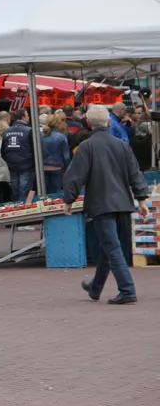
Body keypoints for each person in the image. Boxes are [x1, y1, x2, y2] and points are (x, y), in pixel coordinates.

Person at [65, 105, 148, 305]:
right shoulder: (122, 145)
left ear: (88, 123)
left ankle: (127, 289)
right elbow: (135, 173)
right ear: (109, 122)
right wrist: (142, 199)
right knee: (109, 246)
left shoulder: (86, 147)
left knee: (112, 248)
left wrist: (69, 199)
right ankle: (95, 287)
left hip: (101, 204)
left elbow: (75, 176)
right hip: (123, 203)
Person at [1, 109, 36, 202]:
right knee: (24, 190)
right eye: (27, 115)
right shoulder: (29, 131)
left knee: (15, 190)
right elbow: (34, 149)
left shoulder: (6, 131)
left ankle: (16, 206)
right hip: (26, 165)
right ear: (23, 117)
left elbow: (2, 151)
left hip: (12, 165)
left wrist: (9, 161)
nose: (28, 117)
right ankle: (24, 207)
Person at [41, 112, 71, 194]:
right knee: (57, 193)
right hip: (57, 167)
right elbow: (66, 156)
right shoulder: (61, 136)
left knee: (44, 193)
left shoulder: (40, 136)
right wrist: (68, 169)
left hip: (42, 167)